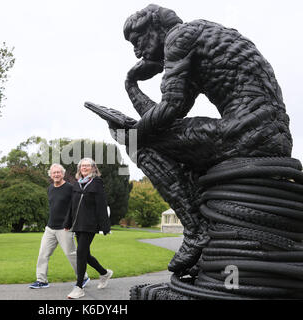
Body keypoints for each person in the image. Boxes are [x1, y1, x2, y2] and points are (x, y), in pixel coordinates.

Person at [107, 4, 293, 274]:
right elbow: (169, 117)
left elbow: (170, 107)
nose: (137, 52)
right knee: (151, 138)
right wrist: (131, 86)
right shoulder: (197, 37)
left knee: (139, 143)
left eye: (138, 41)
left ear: (156, 29)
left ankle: (196, 231)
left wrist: (132, 133)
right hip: (267, 133)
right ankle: (206, 238)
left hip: (249, 132)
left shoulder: (178, 38)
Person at [29, 163, 89, 289]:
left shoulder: (70, 188)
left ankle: (83, 277)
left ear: (63, 174)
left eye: (58, 172)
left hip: (65, 228)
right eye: (54, 173)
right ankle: (42, 280)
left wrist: (70, 223)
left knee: (71, 254)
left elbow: (76, 207)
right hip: (50, 228)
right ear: (50, 175)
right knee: (43, 254)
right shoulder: (50, 188)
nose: (56, 174)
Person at [64, 158, 113, 299]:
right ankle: (104, 273)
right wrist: (67, 223)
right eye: (82, 166)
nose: (84, 168)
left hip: (90, 224)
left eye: (87, 165)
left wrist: (105, 226)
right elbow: (71, 206)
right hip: (78, 224)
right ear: (79, 169)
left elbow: (101, 205)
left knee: (81, 253)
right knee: (85, 254)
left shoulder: (96, 183)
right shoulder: (76, 184)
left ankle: (79, 287)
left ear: (93, 168)